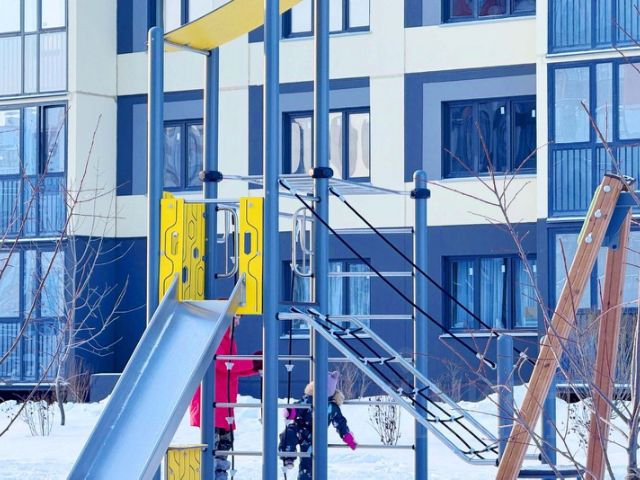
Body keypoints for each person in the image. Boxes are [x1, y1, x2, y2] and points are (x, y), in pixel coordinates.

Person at [189, 314, 262, 480]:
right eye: (235, 316)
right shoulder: (213, 337)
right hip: (211, 404)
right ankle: (211, 475)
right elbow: (224, 364)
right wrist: (253, 362)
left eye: (239, 317)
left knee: (225, 445)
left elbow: (231, 369)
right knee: (212, 449)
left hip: (224, 405)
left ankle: (220, 476)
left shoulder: (229, 341)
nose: (238, 321)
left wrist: (255, 366)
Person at [278, 371, 357, 479]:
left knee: (308, 463)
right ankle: (288, 456)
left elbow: (340, 423)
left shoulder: (332, 407)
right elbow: (299, 406)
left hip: (315, 438)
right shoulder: (309, 400)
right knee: (288, 433)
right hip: (300, 429)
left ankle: (305, 475)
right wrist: (291, 411)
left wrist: (347, 436)